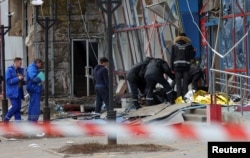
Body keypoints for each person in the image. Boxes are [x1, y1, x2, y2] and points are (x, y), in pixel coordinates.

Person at [171, 33, 196, 99]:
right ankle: (185, 97)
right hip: (186, 67)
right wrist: (194, 52)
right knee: (185, 83)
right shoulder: (189, 45)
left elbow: (172, 57)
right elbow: (191, 57)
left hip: (177, 67)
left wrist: (172, 68)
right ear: (186, 38)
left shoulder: (174, 45)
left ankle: (179, 98)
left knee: (178, 83)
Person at [3, 57, 25, 122]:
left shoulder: (19, 70)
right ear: (16, 62)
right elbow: (8, 81)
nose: (21, 64)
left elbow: (21, 80)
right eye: (20, 63)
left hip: (19, 91)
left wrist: (24, 81)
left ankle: (18, 123)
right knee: (15, 106)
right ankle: (6, 118)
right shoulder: (9, 70)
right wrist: (18, 78)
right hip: (13, 92)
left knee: (18, 108)